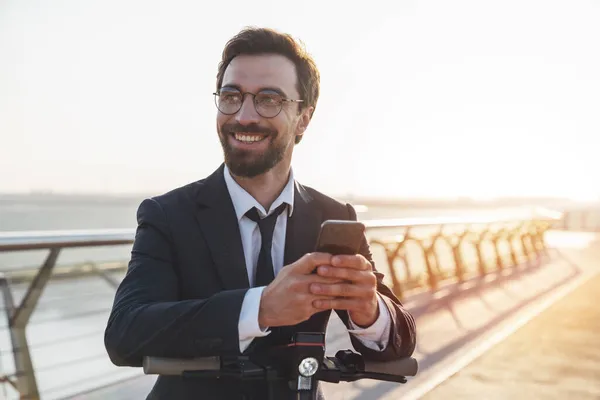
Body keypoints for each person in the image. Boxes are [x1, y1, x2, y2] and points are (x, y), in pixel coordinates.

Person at [104, 26, 416, 400]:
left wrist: (369, 311)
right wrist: (260, 308)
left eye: (269, 99)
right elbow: (125, 334)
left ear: (304, 118)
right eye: (231, 96)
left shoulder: (333, 216)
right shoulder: (167, 214)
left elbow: (400, 342)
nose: (244, 116)